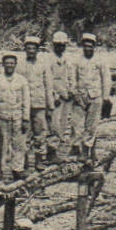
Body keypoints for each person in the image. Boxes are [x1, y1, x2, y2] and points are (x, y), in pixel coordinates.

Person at [63, 33, 112, 157]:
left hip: (95, 96)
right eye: (85, 46)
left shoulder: (100, 61)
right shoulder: (76, 60)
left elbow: (106, 79)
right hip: (80, 96)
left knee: (91, 125)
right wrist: (74, 93)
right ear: (82, 46)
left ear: (94, 46)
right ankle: (75, 146)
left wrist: (105, 96)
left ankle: (85, 149)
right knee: (76, 124)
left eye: (90, 46)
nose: (87, 49)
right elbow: (72, 78)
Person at [0, 53, 31, 181]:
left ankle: (17, 170)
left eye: (12, 63)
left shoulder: (21, 80)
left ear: (15, 65)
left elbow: (26, 100)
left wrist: (26, 118)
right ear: (3, 64)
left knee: (19, 145)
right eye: (7, 63)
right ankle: (0, 170)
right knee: (2, 145)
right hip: (2, 116)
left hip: (17, 117)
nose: (9, 65)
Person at [19, 36, 55, 171]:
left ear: (37, 50)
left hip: (39, 104)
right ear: (25, 50)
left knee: (40, 134)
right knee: (25, 135)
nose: (31, 51)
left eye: (33, 49)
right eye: (28, 49)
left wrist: (50, 106)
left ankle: (39, 160)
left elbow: (48, 86)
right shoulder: (20, 66)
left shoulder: (43, 65)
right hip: (25, 106)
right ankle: (26, 162)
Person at [44, 32, 74, 162]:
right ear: (53, 45)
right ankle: (51, 151)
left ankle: (59, 151)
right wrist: (53, 96)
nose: (61, 47)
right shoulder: (48, 60)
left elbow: (71, 76)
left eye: (63, 45)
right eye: (58, 45)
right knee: (53, 124)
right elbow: (47, 80)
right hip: (55, 95)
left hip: (66, 95)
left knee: (63, 123)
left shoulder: (67, 59)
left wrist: (71, 90)